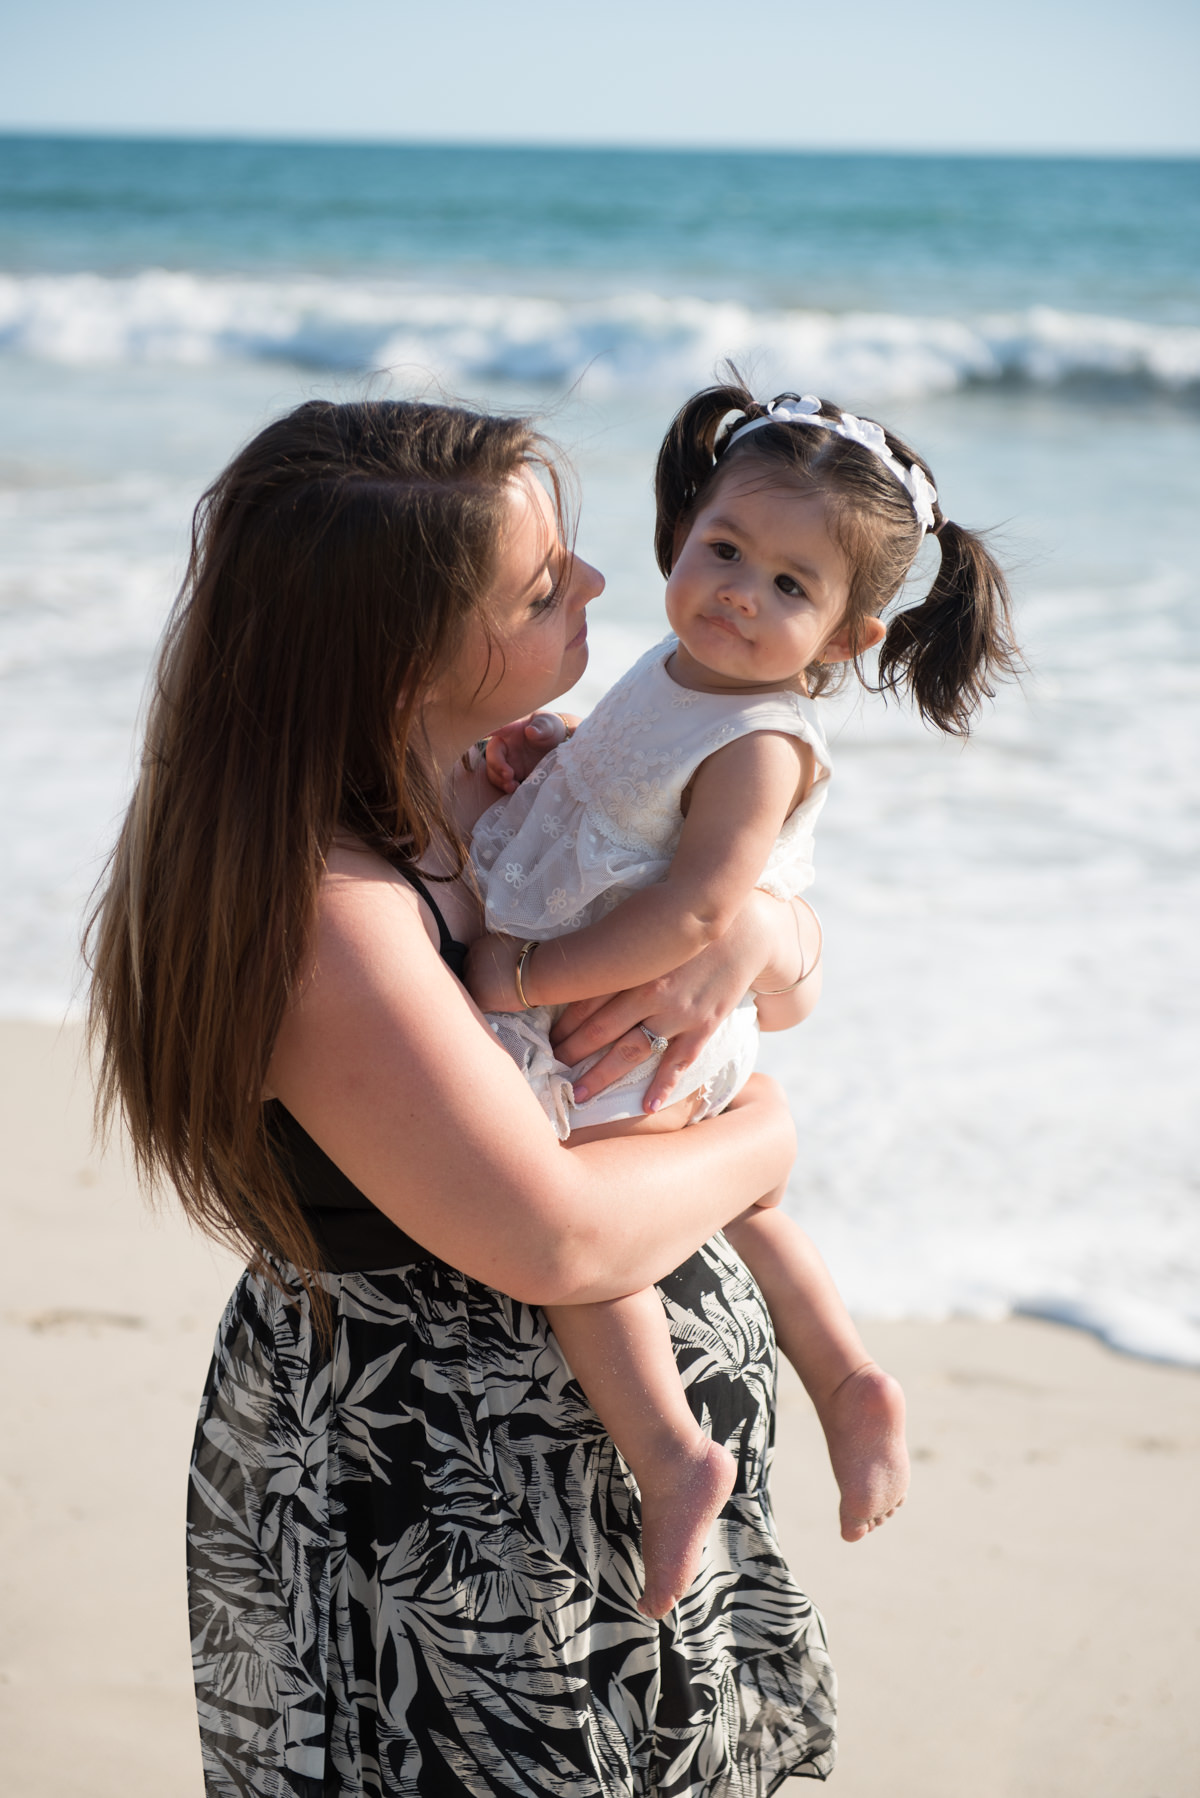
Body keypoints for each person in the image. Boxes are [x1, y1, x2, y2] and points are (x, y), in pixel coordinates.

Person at [86, 397, 840, 1797]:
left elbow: (772, 974)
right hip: (442, 1506)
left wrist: (751, 934)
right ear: (401, 653)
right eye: (544, 585)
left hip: (584, 1484)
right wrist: (766, 1134)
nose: (607, 585)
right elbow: (550, 1237)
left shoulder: (505, 763)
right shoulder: (323, 909)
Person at [465, 380, 1019, 1622]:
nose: (739, 593)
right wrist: (558, 752)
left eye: (789, 586)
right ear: (683, 531)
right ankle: (847, 1376)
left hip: (643, 1001)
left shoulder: (765, 739)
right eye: (724, 550)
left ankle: (671, 1454)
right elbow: (629, 791)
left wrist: (523, 975)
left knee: (588, 1205)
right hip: (651, 992)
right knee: (752, 1200)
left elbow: (704, 911)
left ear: (846, 637)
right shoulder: (678, 666)